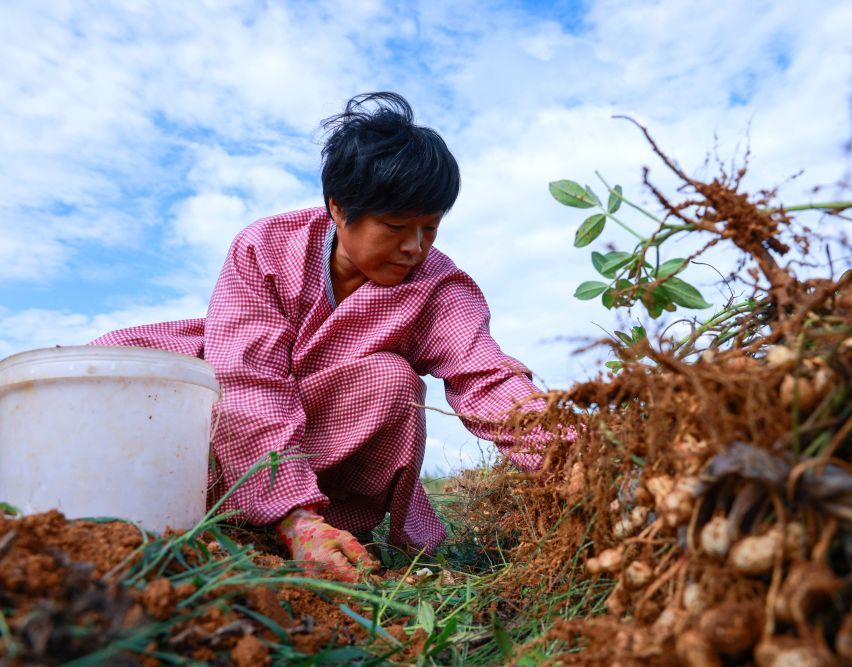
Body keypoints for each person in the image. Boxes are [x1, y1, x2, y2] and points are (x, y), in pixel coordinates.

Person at [90, 92, 564, 581]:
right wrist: (295, 520)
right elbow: (249, 381)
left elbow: (487, 377)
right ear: (339, 209)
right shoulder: (266, 250)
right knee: (119, 365)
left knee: (390, 380)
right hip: (227, 434)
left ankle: (328, 531)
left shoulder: (437, 288)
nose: (413, 247)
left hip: (324, 461)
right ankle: (247, 519)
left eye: (430, 228)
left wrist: (574, 459)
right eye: (396, 226)